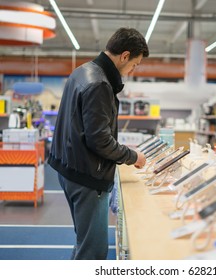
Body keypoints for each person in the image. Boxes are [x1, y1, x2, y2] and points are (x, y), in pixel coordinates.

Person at [48, 27, 149, 260]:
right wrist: (133, 156)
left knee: (84, 242)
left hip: (68, 167)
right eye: (135, 64)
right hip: (86, 175)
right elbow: (99, 139)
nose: (133, 70)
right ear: (124, 56)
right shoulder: (100, 84)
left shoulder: (83, 71)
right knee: (93, 252)